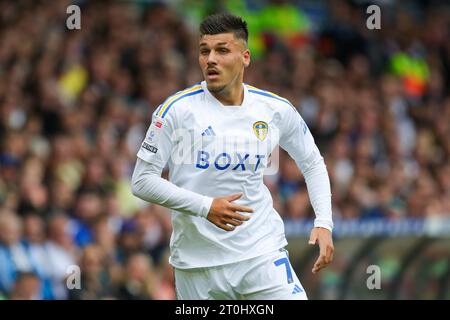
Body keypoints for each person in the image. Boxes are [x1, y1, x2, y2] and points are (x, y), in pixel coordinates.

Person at [131, 13, 334, 300]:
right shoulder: (176, 110)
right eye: (205, 51)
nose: (210, 59)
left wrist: (324, 222)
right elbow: (142, 181)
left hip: (260, 254)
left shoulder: (274, 109)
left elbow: (312, 163)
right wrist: (206, 207)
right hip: (197, 265)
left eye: (222, 50)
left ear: (245, 57)